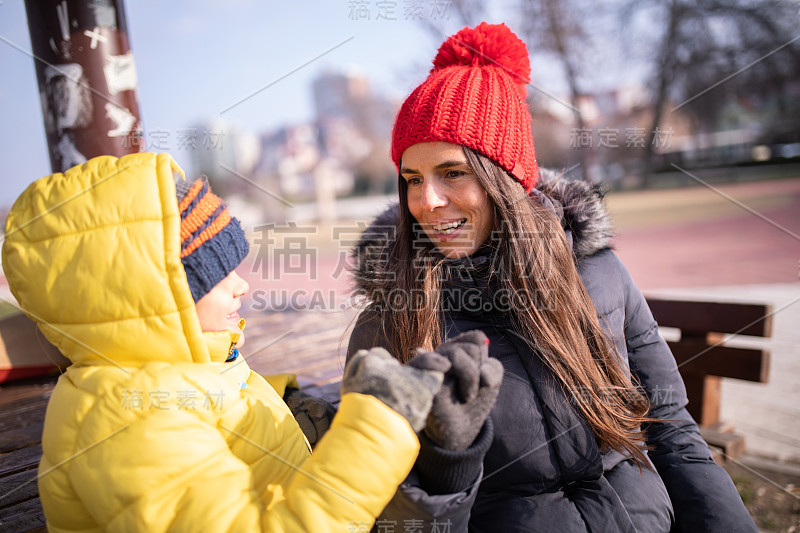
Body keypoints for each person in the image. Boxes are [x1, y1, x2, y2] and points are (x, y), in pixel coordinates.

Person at [347, 22, 757, 532]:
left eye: (452, 172)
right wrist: (446, 467)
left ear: (507, 180)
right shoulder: (389, 325)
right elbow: (390, 517)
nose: (425, 201)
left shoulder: (600, 274)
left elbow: (672, 430)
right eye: (412, 179)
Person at [2, 152, 452, 532]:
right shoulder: (125, 418)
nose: (242, 287)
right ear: (152, 298)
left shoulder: (169, 373)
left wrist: (284, 404)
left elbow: (202, 413)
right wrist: (377, 426)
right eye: (218, 275)